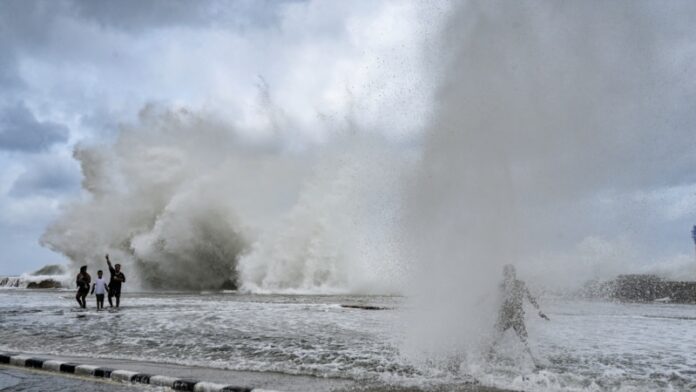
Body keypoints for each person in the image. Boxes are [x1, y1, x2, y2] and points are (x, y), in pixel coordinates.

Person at [489, 264, 549, 367]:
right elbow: (493, 297)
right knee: (496, 338)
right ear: (504, 274)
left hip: (517, 316)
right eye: (507, 273)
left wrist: (539, 311)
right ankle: (487, 360)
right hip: (504, 316)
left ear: (514, 274)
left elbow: (530, 298)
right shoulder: (501, 286)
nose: (509, 275)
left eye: (511, 273)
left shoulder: (521, 284)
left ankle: (535, 362)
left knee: (525, 340)